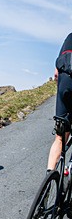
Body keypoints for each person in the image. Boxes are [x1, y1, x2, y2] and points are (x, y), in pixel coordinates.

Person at [47, 32, 72, 171]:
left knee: (60, 137)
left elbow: (56, 73)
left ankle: (50, 177)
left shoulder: (70, 37)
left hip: (65, 84)